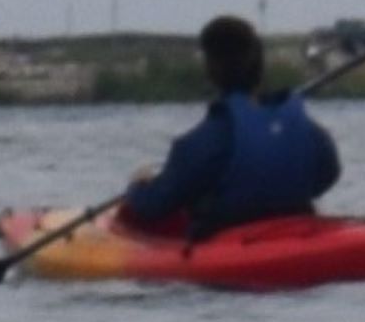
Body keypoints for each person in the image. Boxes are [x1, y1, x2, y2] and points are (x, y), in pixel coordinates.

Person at [115, 15, 341, 237]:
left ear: (211, 71)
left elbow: (153, 206)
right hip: (298, 233)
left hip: (231, 241)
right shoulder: (310, 132)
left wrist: (137, 186)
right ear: (260, 67)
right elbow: (330, 174)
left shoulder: (198, 145)